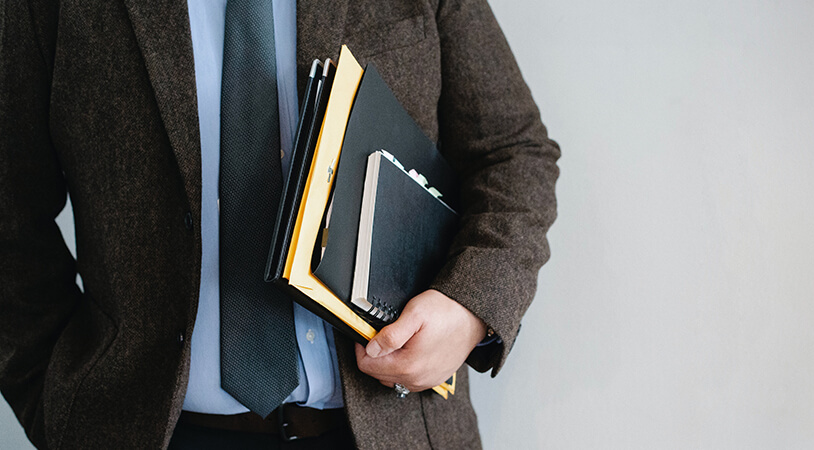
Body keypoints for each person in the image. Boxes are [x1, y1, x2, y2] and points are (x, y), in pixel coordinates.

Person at [0, 0, 559, 448]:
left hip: (396, 426)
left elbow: (511, 151)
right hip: (148, 429)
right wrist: (55, 408)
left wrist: (470, 307)